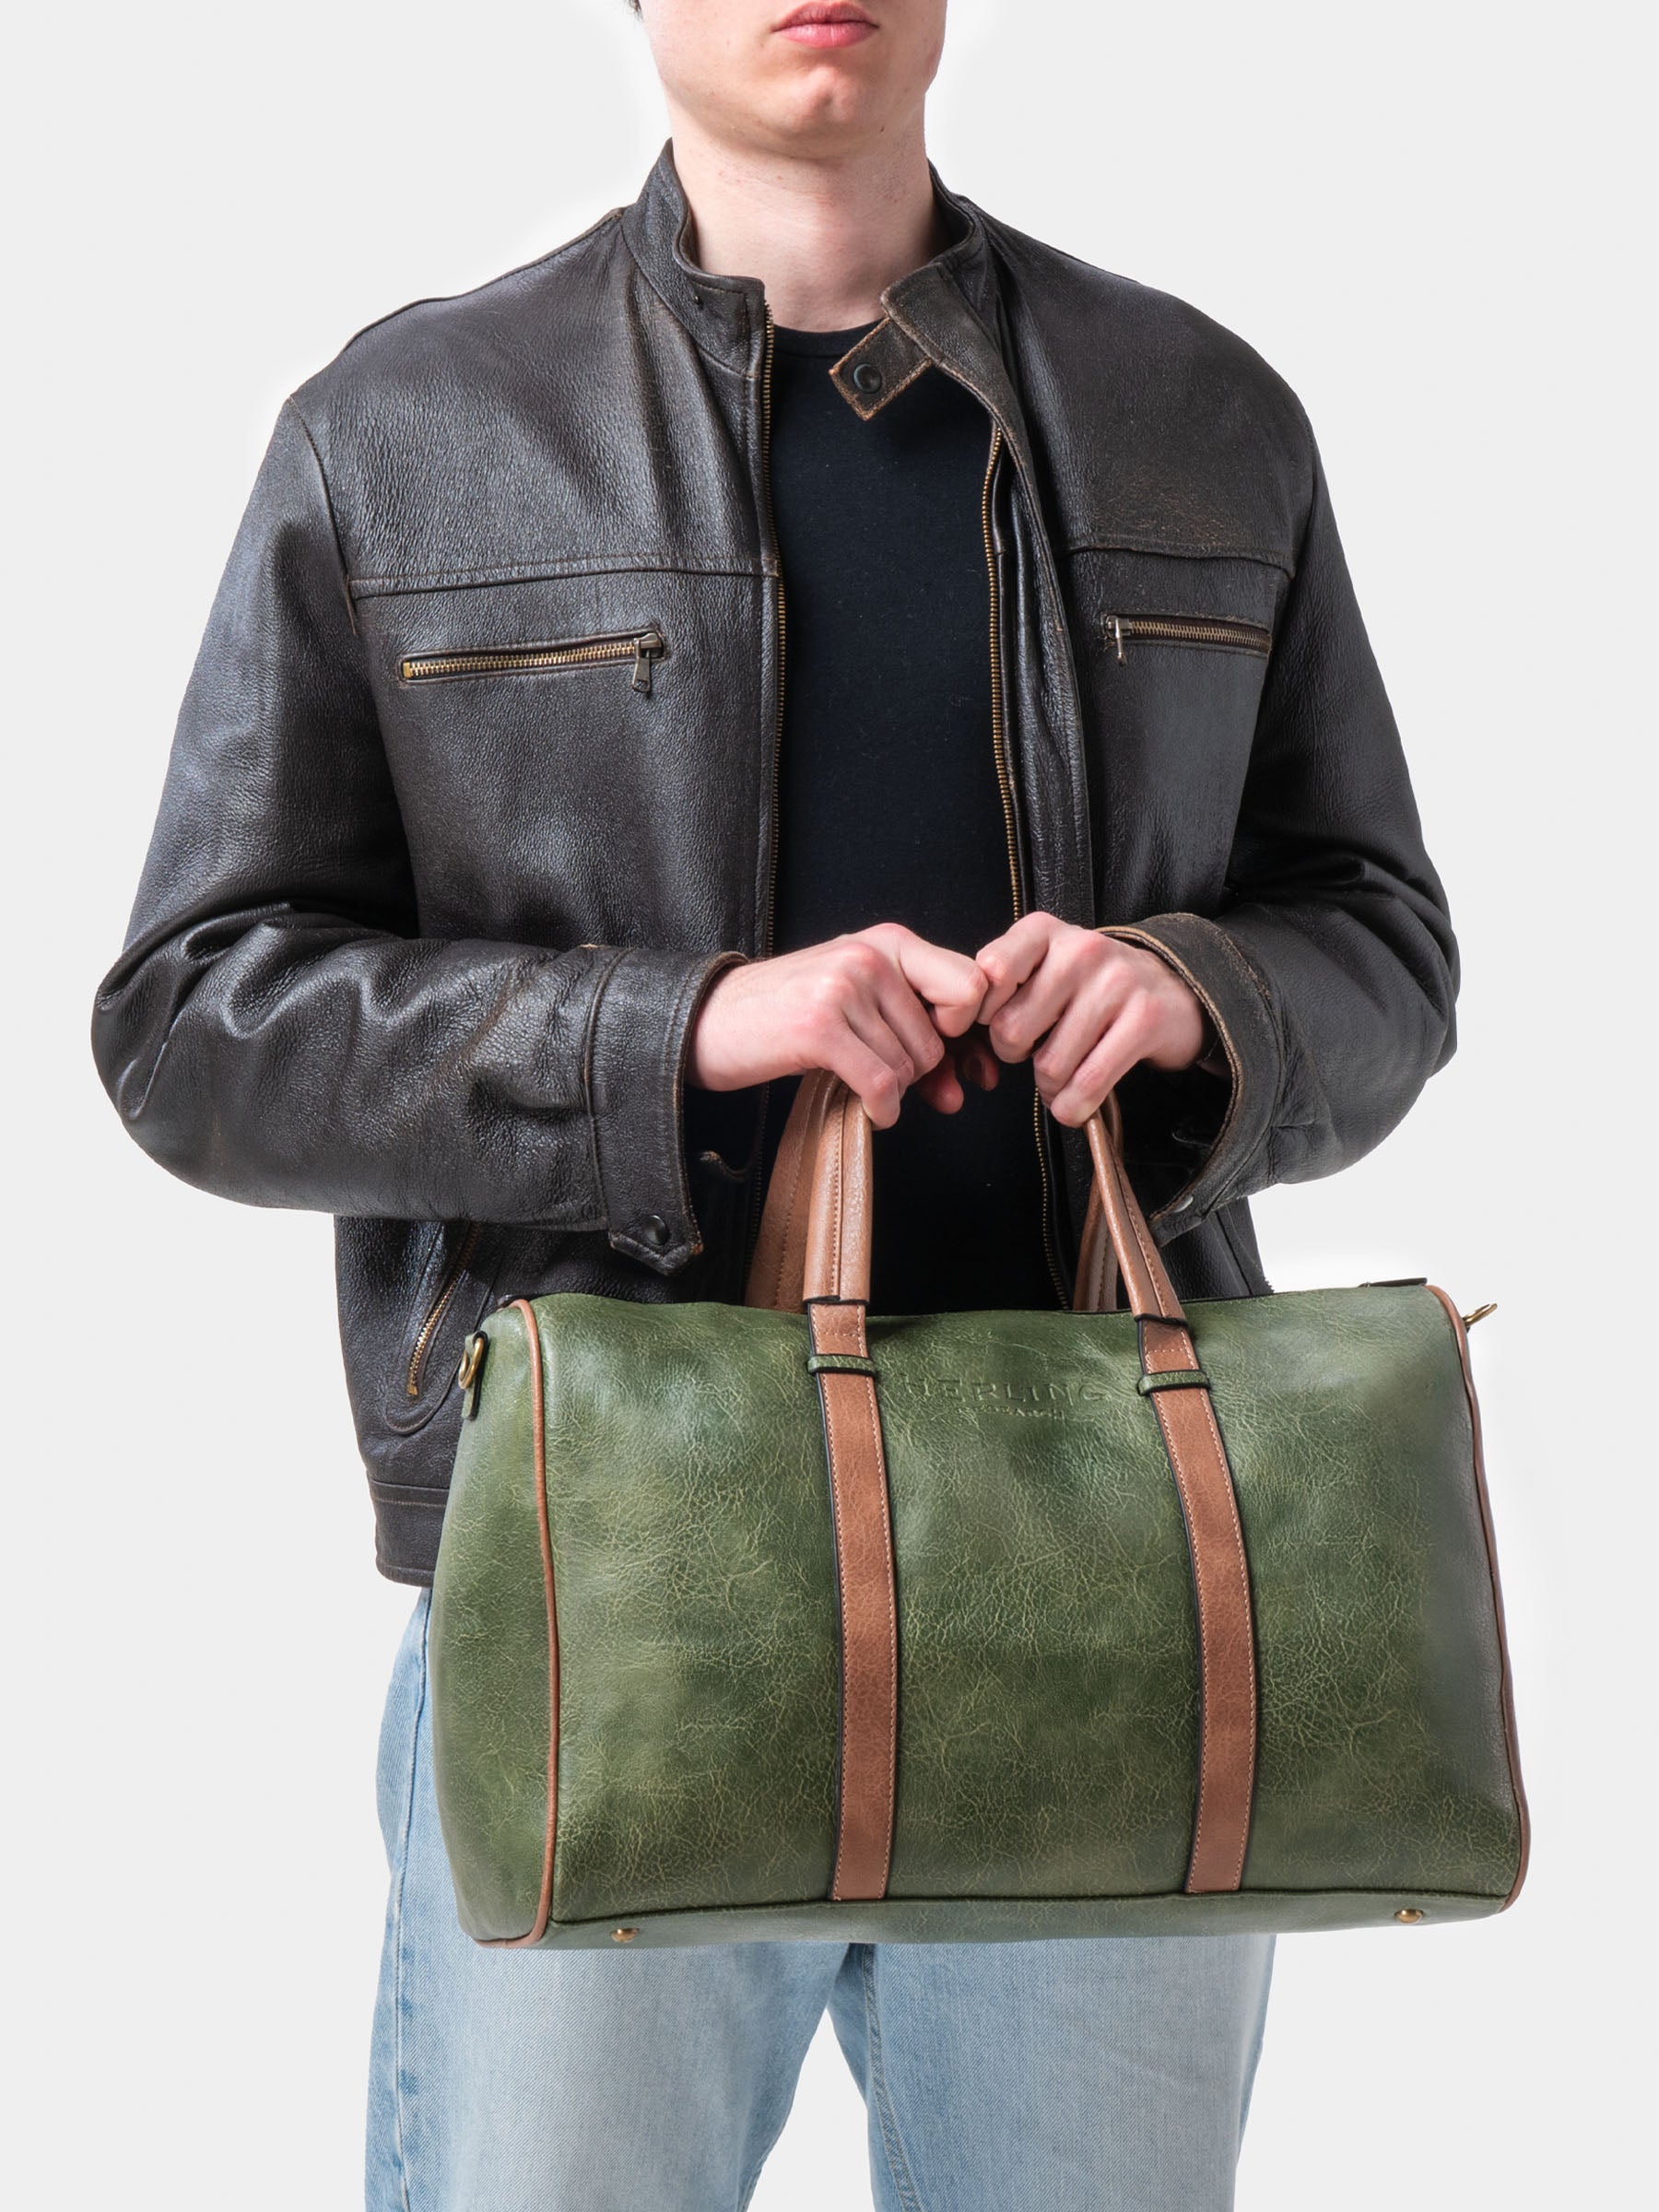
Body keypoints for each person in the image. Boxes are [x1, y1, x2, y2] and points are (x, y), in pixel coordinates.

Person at [90, 1, 1457, 2205]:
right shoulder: (409, 433)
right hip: (615, 1579)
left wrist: (1197, 996)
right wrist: (677, 1031)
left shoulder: (1198, 416)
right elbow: (197, 1021)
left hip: (1114, 1575)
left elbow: (1380, 939)